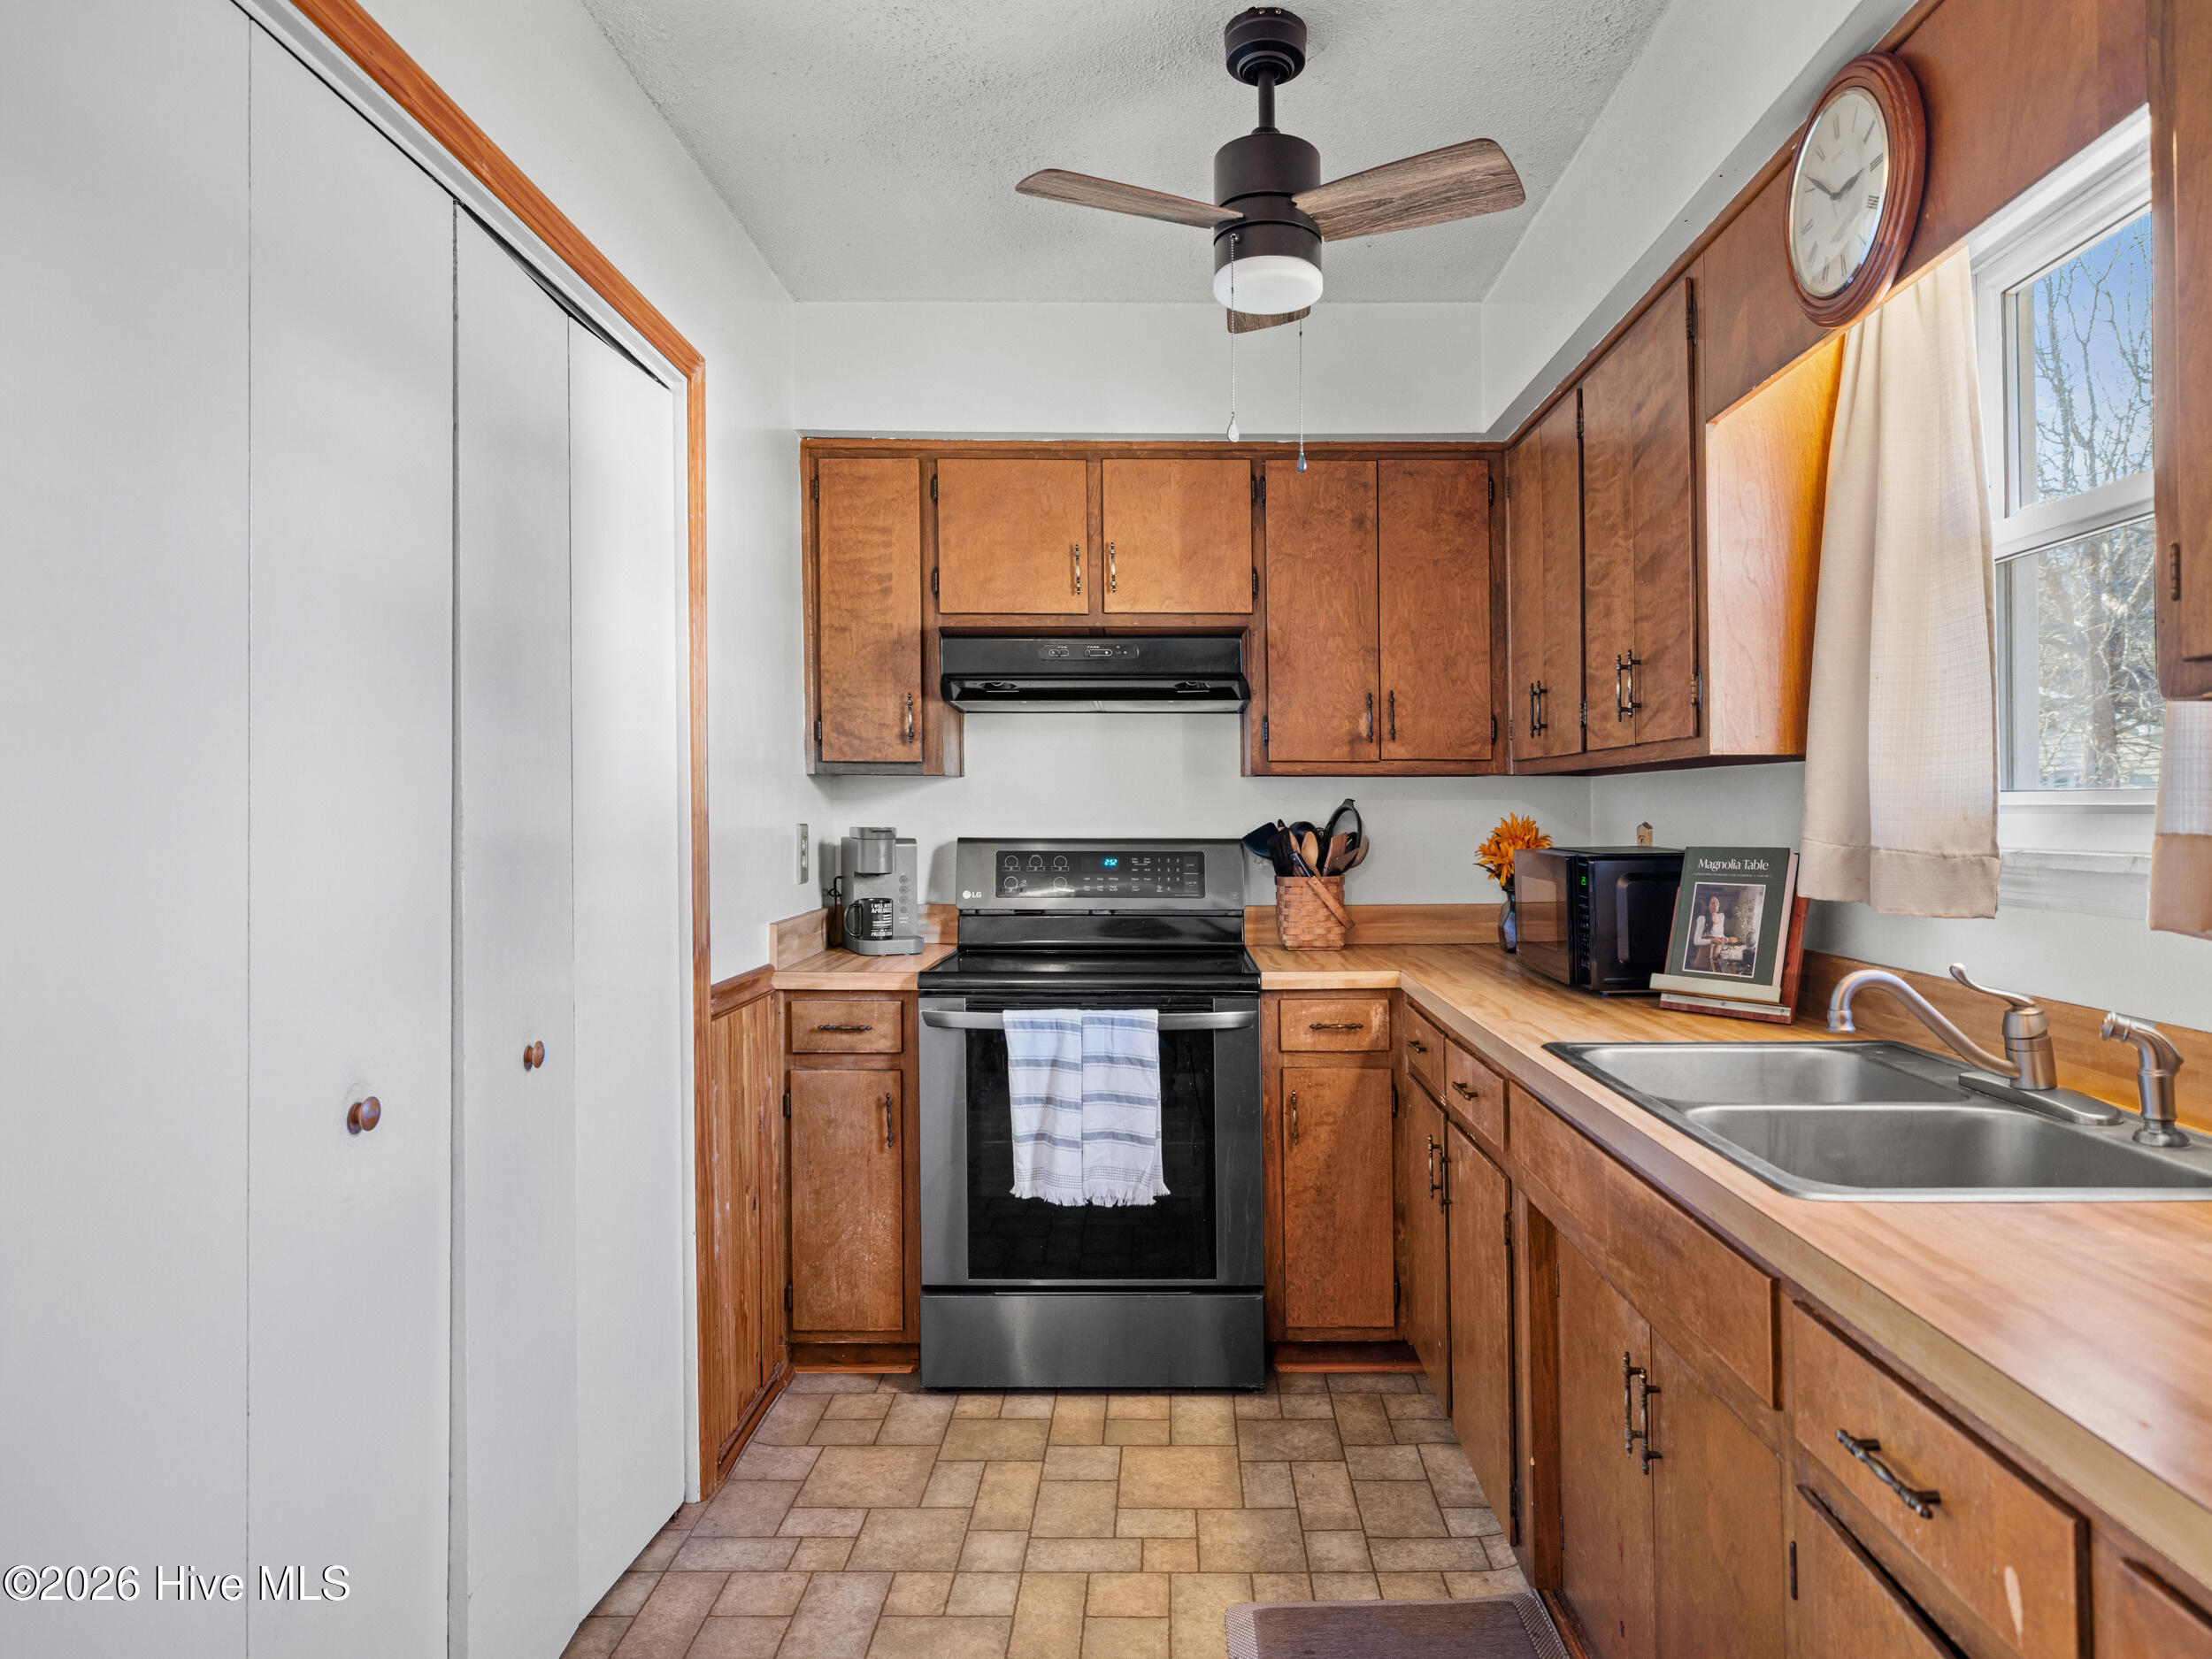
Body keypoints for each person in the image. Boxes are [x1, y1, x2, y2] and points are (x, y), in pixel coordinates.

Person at [1689, 893, 1733, 972]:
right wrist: (1712, 940)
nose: (1715, 905)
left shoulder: (1721, 917)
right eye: (1712, 903)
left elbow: (1720, 934)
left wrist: (1724, 938)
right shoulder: (1702, 919)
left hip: (1716, 958)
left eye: (1717, 902)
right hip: (1703, 958)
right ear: (1708, 905)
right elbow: (1696, 941)